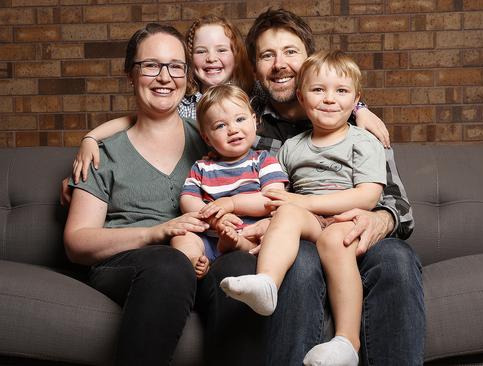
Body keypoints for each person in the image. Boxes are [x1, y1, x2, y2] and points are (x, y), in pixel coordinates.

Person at [208, 8, 424, 366]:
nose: (279, 64)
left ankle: (349, 343)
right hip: (297, 239)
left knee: (397, 259)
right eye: (267, 55)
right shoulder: (246, 126)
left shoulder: (358, 126)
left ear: (308, 59)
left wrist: (377, 221)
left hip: (354, 235)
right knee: (302, 261)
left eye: (291, 52)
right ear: (256, 69)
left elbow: (398, 206)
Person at [221, 50, 386, 366]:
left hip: (346, 219)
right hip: (307, 221)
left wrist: (304, 202)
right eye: (318, 90)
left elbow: (367, 196)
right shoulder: (291, 148)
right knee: (285, 213)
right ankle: (267, 284)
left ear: (356, 100)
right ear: (301, 96)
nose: (329, 99)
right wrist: (256, 219)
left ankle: (347, 341)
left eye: (341, 91)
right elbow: (277, 197)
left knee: (332, 239)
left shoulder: (363, 141)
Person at [62, 23, 208, 365]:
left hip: (203, 260)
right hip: (131, 263)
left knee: (241, 270)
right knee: (169, 263)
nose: (165, 77)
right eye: (151, 66)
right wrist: (152, 234)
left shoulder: (210, 136)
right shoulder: (103, 153)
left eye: (175, 66)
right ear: (131, 74)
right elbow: (76, 242)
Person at [66, 15, 253, 185]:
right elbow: (138, 122)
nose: (211, 58)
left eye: (221, 50)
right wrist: (90, 139)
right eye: (201, 51)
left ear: (236, 56)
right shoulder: (180, 102)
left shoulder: (251, 99)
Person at [172, 84, 287, 278]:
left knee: (272, 232)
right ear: (206, 137)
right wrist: (214, 218)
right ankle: (196, 261)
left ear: (254, 121)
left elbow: (272, 199)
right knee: (181, 236)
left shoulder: (263, 160)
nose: (233, 129)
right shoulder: (202, 166)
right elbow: (187, 200)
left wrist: (231, 203)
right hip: (210, 236)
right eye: (220, 125)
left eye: (240, 119)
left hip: (249, 232)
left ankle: (237, 244)